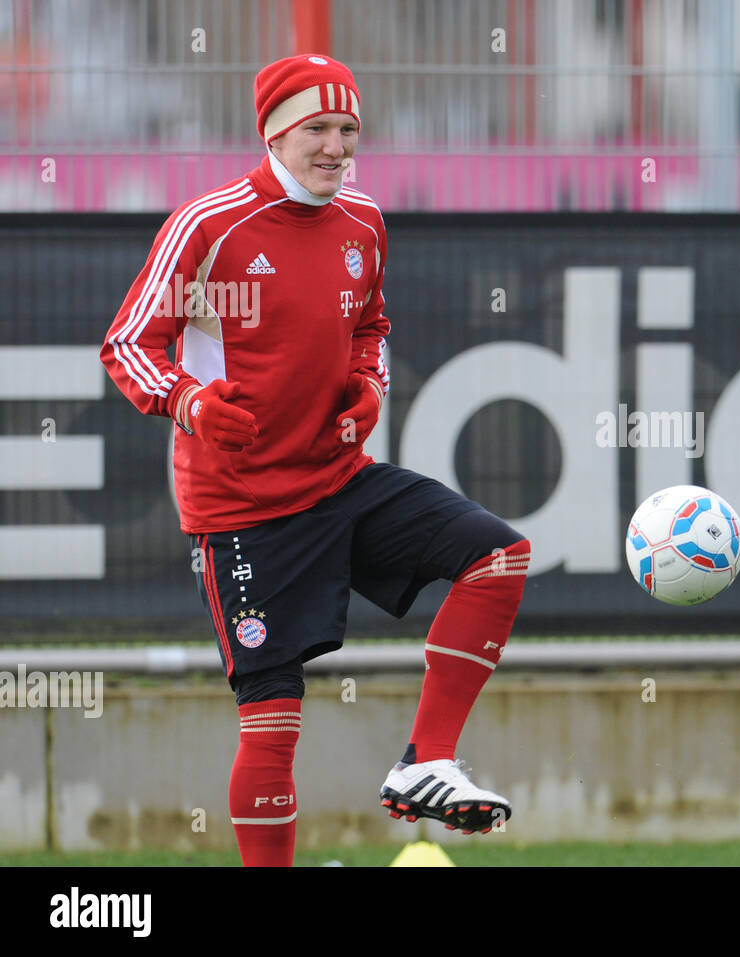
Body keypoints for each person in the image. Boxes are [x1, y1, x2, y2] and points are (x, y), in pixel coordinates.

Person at [100, 54, 531, 867]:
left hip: (339, 479)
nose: (336, 147)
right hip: (242, 511)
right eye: (317, 130)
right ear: (273, 133)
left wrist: (368, 385)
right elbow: (128, 342)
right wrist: (190, 401)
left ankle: (426, 761)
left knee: (499, 555)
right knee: (272, 711)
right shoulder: (208, 225)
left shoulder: (364, 221)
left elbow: (372, 327)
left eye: (348, 131)